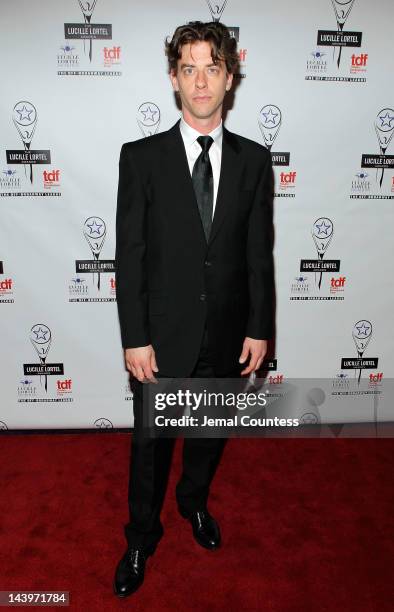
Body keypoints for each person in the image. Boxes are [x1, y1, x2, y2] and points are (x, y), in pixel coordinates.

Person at [113, 20, 274, 598]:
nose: (200, 81)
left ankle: (194, 504)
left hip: (228, 334)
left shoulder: (256, 162)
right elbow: (129, 256)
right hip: (161, 335)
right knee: (150, 449)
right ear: (174, 79)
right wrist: (135, 337)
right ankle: (139, 537)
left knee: (208, 436)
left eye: (212, 67)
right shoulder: (142, 158)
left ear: (230, 78)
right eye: (189, 68)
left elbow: (259, 253)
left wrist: (260, 326)